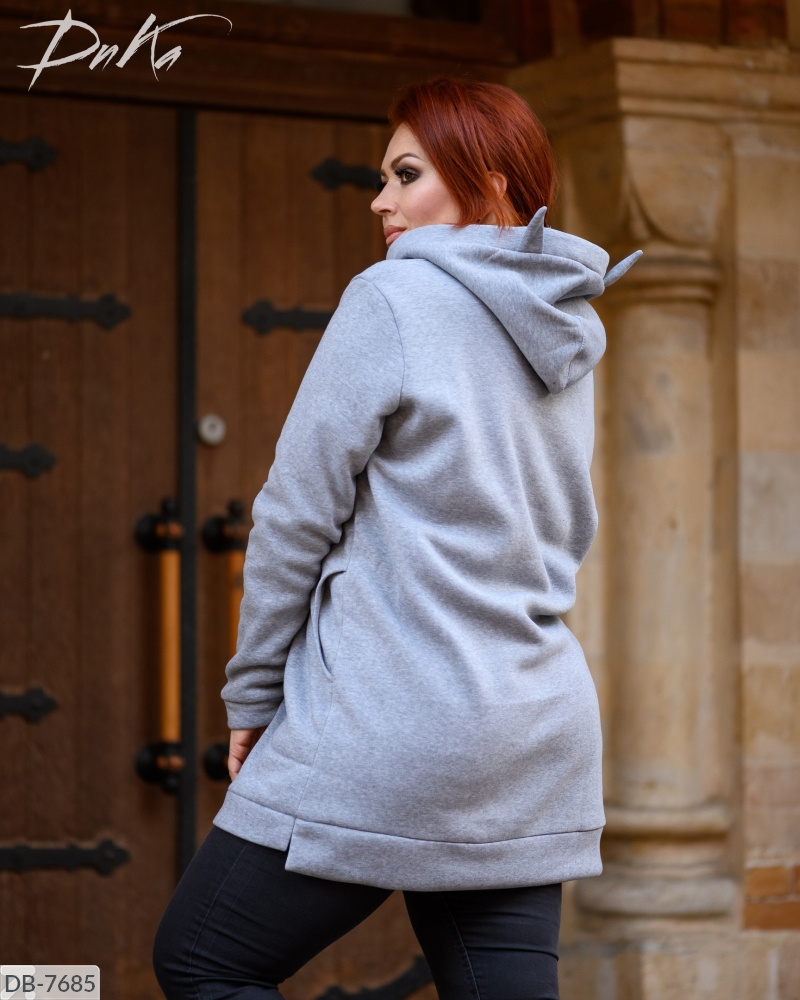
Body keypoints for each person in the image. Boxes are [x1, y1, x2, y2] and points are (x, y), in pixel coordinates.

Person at [153, 76, 640, 1000]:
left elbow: (295, 515)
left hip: (392, 718)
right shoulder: (568, 324)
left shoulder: (394, 297)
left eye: (406, 174)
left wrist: (252, 694)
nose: (381, 200)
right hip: (532, 733)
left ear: (488, 185)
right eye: (384, 177)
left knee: (201, 960)